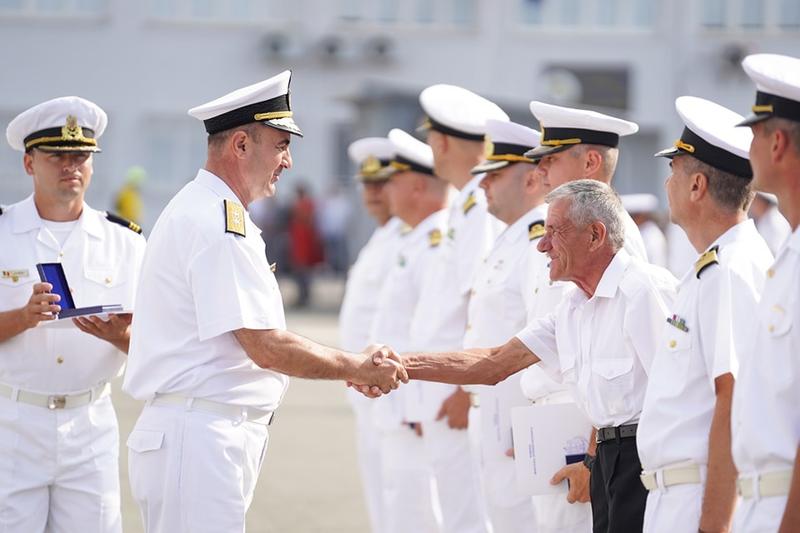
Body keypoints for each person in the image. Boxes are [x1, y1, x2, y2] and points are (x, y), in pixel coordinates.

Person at [121, 71, 406, 533]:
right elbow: (265, 345)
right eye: (280, 145)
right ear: (240, 145)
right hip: (198, 438)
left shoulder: (212, 212)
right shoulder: (217, 222)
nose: (288, 161)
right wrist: (355, 366)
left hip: (204, 435)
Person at [358, 180, 679, 533]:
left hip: (650, 466)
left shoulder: (642, 291)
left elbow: (681, 397)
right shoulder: (572, 308)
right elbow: (494, 362)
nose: (542, 246)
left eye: (555, 232)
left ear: (595, 235)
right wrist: (399, 365)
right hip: (608, 461)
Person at [0, 96, 146, 532]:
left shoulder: (127, 243)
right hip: (13, 421)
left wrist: (118, 337)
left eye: (81, 156)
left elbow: (157, 343)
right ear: (29, 164)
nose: (71, 166)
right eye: (57, 156)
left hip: (90, 422)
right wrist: (21, 318)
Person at [636, 96, 773, 533]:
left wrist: (714, 524)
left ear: (697, 186)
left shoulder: (729, 270)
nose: (666, 185)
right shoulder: (711, 268)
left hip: (695, 500)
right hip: (673, 497)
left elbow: (731, 401)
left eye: (673, 171)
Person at [465, 119, 592, 533]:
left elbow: (552, 342)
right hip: (501, 417)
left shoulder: (540, 237)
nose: (483, 185)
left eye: (496, 175)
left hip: (532, 427)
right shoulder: (510, 238)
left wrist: (529, 425)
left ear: (531, 181)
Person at [405, 84, 508, 533]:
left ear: (441, 142)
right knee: (454, 512)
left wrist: (468, 390)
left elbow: (481, 300)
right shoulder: (466, 207)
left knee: (468, 516)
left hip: (458, 388)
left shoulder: (481, 208)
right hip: (445, 385)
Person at [731, 53, 800, 533]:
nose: (747, 146)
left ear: (776, 142)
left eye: (753, 133)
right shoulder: (787, 254)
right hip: (760, 504)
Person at [369, 127, 451, 533]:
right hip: (400, 406)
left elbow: (438, 331)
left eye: (394, 179)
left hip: (416, 407)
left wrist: (422, 401)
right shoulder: (413, 240)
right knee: (400, 510)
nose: (385, 190)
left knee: (421, 516)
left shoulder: (438, 242)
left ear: (418, 185)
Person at [339, 136, 402, 532]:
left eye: (382, 183)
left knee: (407, 507)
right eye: (368, 184)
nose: (374, 193)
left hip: (395, 392)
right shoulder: (381, 238)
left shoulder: (410, 237)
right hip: (369, 394)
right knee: (383, 504)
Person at [525, 100, 649, 261]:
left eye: (551, 159)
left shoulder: (614, 239)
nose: (539, 169)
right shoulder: (572, 227)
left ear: (590, 163)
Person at [288, 182, 324, 307]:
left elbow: (309, 221)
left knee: (304, 272)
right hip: (299, 244)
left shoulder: (306, 205)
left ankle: (304, 296)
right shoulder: (301, 205)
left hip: (305, 244)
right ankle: (302, 296)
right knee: (300, 272)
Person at [620, 193, 668, 268]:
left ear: (643, 215)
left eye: (633, 216)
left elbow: (657, 264)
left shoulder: (652, 235)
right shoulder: (636, 231)